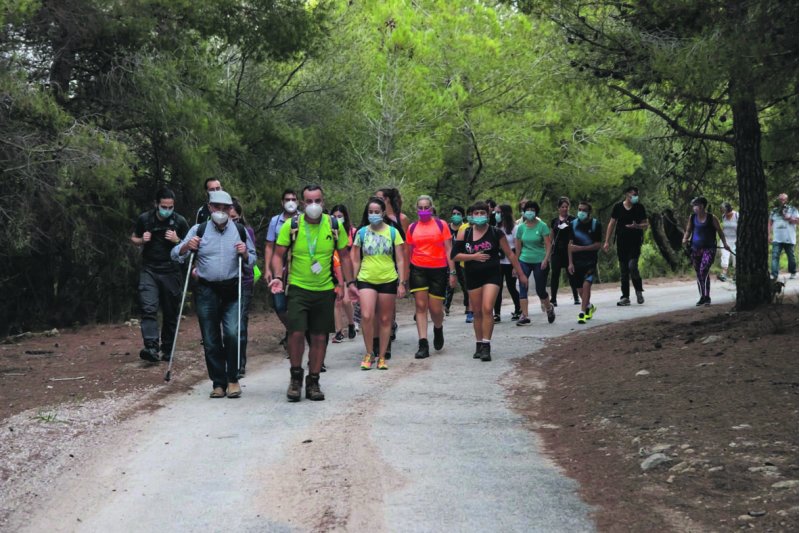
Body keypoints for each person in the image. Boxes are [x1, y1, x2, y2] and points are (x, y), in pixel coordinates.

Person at [269, 185, 357, 402]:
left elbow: (344, 256)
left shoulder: (334, 225)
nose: (313, 205)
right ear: (302, 203)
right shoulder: (292, 225)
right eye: (309, 201)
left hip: (325, 289)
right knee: (296, 333)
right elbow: (278, 254)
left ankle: (314, 380)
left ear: (323, 201)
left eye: (317, 200)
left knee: (319, 336)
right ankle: (296, 377)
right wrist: (278, 277)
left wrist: (349, 282)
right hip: (298, 288)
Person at [172, 191, 256, 399]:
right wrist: (186, 246)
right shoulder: (198, 230)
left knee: (232, 333)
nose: (220, 211)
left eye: (224, 207)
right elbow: (175, 254)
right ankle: (218, 382)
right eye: (216, 207)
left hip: (231, 288)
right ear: (209, 207)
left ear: (230, 209)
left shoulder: (239, 231)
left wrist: (245, 253)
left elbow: (252, 261)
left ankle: (233, 379)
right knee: (210, 338)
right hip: (206, 289)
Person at [454, 202, 528, 361]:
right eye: (476, 213)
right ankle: (479, 343)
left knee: (488, 308)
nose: (479, 216)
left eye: (482, 213)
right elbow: (455, 255)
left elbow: (510, 254)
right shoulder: (465, 233)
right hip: (472, 275)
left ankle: (487, 346)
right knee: (477, 311)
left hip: (492, 275)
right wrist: (473, 257)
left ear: (488, 215)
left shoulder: (496, 233)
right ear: (472, 216)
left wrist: (521, 274)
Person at [131, 187, 190, 363]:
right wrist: (142, 240)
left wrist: (177, 240)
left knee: (170, 312)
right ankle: (151, 347)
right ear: (156, 204)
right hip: (149, 269)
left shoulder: (179, 221)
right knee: (148, 307)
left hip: (171, 270)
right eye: (164, 206)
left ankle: (168, 348)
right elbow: (133, 237)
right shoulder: (145, 219)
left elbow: (190, 247)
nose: (167, 209)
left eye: (170, 206)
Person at [351, 197, 408, 370]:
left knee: (385, 319)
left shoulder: (393, 232)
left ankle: (382, 356)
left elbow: (400, 259)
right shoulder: (361, 233)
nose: (373, 215)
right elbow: (355, 260)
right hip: (366, 279)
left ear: (383, 213)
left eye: (377, 212)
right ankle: (369, 353)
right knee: (367, 316)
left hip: (388, 279)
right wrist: (352, 282)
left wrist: (402, 282)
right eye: (370, 212)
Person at [405, 195, 457, 359]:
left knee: (435, 309)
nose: (423, 210)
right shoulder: (412, 228)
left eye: (426, 207)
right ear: (416, 210)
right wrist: (404, 277)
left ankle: (438, 327)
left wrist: (453, 272)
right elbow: (408, 252)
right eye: (420, 208)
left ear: (431, 208)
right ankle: (423, 344)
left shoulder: (441, 225)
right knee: (421, 306)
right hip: (418, 269)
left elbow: (449, 250)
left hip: (438, 270)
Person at [264, 189, 298, 348]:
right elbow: (269, 246)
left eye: (293, 199)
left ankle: (294, 340)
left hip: (298, 267)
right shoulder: (275, 221)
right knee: (279, 305)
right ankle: (293, 330)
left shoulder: (304, 219)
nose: (290, 202)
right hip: (280, 268)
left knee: (295, 305)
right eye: (287, 199)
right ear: (282, 202)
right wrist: (267, 268)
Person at [603, 185, 648, 306]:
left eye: (637, 195)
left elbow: (646, 224)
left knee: (632, 266)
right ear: (627, 194)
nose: (635, 197)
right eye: (633, 194)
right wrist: (607, 241)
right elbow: (611, 224)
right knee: (624, 271)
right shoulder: (618, 207)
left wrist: (637, 226)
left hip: (635, 242)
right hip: (621, 242)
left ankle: (638, 290)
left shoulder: (639, 207)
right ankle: (625, 297)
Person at [682, 197, 731, 306]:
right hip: (695, 249)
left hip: (709, 249)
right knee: (699, 273)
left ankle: (706, 297)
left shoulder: (712, 218)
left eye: (696, 205)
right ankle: (703, 297)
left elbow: (720, 232)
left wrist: (725, 244)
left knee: (703, 270)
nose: (694, 207)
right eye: (693, 205)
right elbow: (688, 230)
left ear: (702, 206)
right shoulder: (692, 217)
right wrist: (685, 238)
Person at [515, 201, 556, 325]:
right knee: (523, 286)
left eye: (532, 210)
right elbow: (518, 247)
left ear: (536, 212)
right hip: (524, 260)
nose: (530, 212)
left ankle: (549, 308)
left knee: (540, 290)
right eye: (528, 209)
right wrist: (516, 265)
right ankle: (524, 315)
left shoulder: (542, 226)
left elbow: (548, 245)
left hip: (539, 260)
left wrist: (546, 259)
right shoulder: (521, 227)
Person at [230, 199, 257, 377]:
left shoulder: (246, 232)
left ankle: (239, 363)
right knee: (227, 326)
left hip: (243, 281)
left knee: (239, 324)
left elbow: (252, 259)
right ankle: (227, 360)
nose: (231, 221)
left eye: (234, 217)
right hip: (221, 283)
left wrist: (244, 252)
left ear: (240, 216)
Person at [567, 201, 602, 324]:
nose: (581, 212)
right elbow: (570, 245)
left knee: (587, 285)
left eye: (584, 210)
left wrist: (582, 248)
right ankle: (589, 306)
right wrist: (570, 263)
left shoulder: (595, 224)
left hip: (590, 261)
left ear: (589, 212)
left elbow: (598, 245)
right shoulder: (573, 224)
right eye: (579, 209)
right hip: (576, 262)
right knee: (580, 290)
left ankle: (582, 312)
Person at [329, 204, 357, 344]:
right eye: (334, 216)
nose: (337, 219)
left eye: (340, 216)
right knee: (338, 301)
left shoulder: (353, 232)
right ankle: (339, 331)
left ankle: (351, 323)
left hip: (348, 270)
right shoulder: (329, 231)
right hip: (334, 269)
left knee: (346, 300)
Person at [493, 204, 522, 321]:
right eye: (496, 213)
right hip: (499, 261)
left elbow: (517, 247)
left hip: (510, 261)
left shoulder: (515, 228)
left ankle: (518, 309)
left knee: (511, 286)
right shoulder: (496, 227)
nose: (496, 215)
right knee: (497, 287)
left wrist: (516, 265)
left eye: (499, 212)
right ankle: (497, 313)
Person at [549, 197, 580, 307]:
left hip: (569, 250)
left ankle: (576, 296)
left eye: (566, 207)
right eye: (562, 207)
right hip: (557, 250)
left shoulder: (573, 219)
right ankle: (553, 299)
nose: (565, 209)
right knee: (555, 274)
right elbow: (551, 236)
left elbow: (576, 234)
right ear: (558, 208)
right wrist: (549, 248)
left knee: (571, 273)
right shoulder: (554, 221)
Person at [444, 205, 472, 321]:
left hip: (462, 259)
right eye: (454, 213)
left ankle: (467, 306)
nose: (455, 216)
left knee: (465, 283)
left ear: (462, 216)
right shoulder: (447, 228)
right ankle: (446, 306)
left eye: (458, 214)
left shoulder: (464, 228)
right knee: (449, 284)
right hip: (449, 260)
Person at [769, 193, 799, 280]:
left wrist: (789, 218)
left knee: (791, 256)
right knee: (775, 256)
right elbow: (770, 223)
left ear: (787, 200)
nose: (782, 201)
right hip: (777, 238)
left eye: (783, 199)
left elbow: (798, 221)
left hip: (789, 238)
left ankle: (793, 272)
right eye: (780, 199)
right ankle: (774, 274)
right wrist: (768, 234)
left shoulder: (793, 210)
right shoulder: (774, 211)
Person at [718, 202, 738, 282]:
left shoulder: (737, 215)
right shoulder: (723, 216)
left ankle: (736, 274)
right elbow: (724, 228)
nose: (724, 213)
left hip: (735, 240)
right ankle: (724, 274)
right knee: (724, 256)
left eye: (724, 211)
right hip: (725, 239)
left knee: (736, 257)